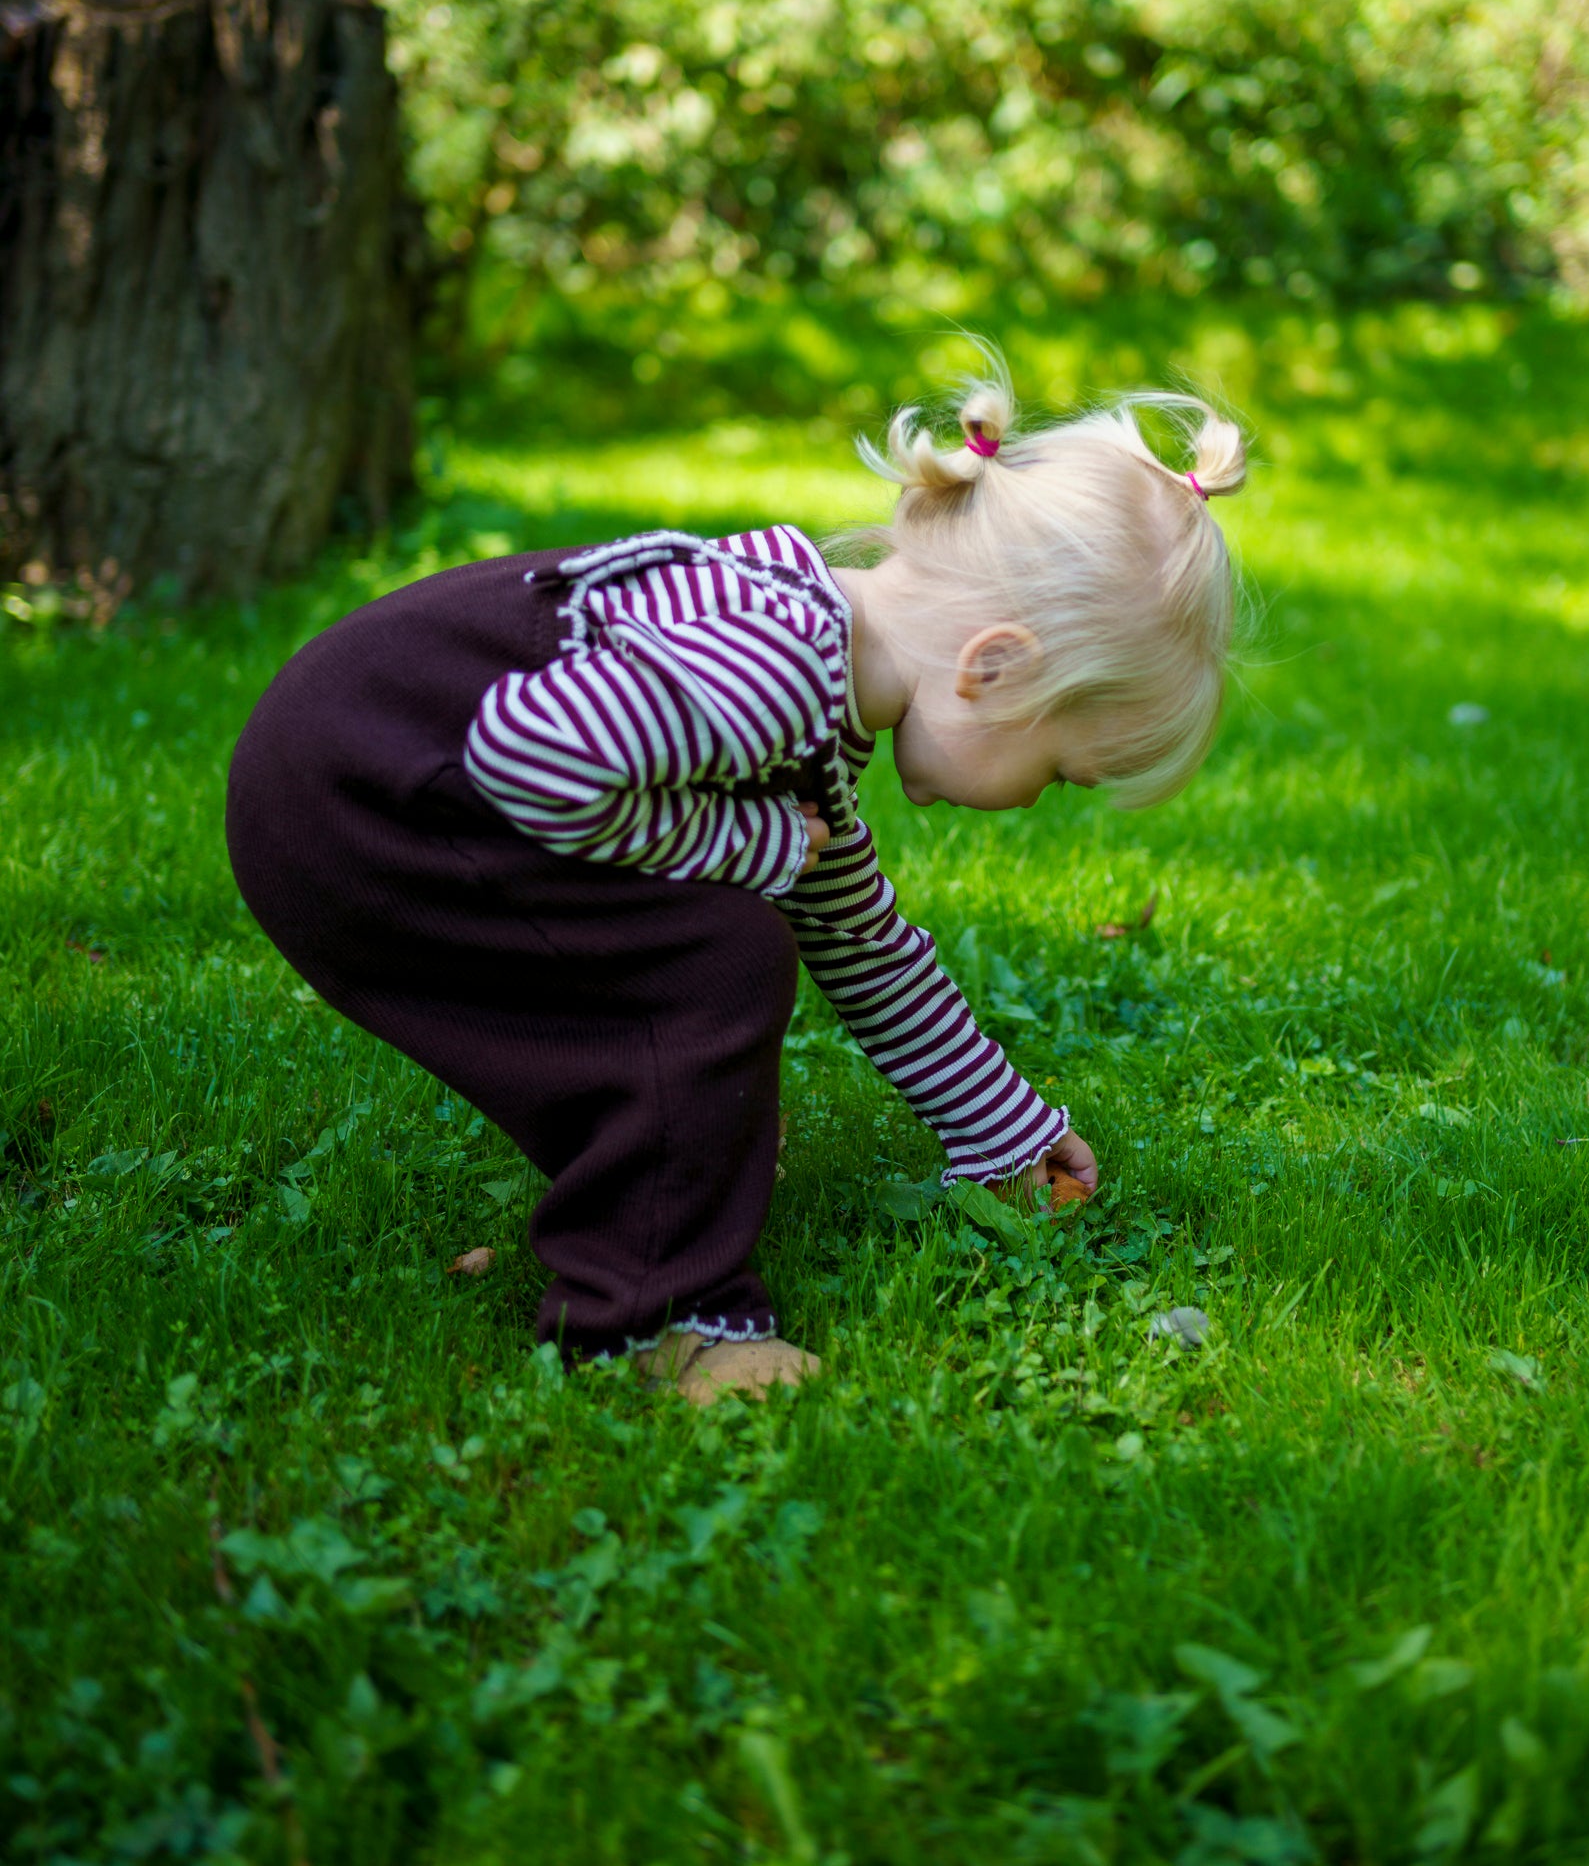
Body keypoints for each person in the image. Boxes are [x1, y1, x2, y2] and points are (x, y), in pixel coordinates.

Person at [226, 364, 1247, 1404]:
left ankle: (663, 1170)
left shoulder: (815, 681)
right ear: (994, 669)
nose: (1035, 801)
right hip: (361, 804)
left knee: (704, 940)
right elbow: (531, 753)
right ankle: (656, 1324)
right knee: (718, 955)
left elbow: (865, 945)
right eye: (1062, 771)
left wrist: (1003, 1129)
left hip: (378, 791)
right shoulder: (773, 665)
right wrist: (751, 846)